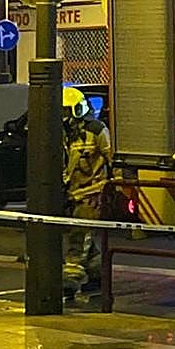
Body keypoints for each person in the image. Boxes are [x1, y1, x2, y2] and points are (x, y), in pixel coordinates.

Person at [62, 86, 112, 298]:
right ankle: (98, 277)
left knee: (78, 240)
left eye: (67, 112)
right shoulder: (62, 135)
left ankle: (68, 284)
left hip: (91, 196)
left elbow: (112, 162)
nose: (64, 117)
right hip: (72, 194)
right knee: (87, 243)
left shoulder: (97, 131)